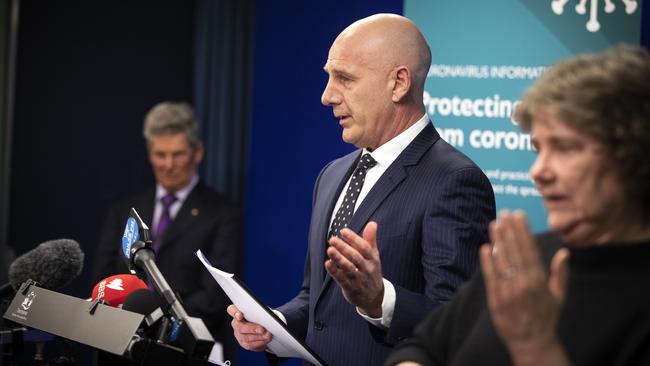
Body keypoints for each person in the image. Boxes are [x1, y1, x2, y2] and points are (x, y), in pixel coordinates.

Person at [228, 14, 495, 365]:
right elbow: (317, 299)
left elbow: (458, 324)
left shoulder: (454, 180)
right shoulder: (331, 175)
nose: (326, 96)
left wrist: (379, 299)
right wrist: (274, 324)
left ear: (399, 83)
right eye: (329, 78)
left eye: (344, 79)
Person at [385, 44, 650, 366]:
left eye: (565, 148)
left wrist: (535, 345)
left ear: (633, 153)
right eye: (539, 149)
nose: (539, 171)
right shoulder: (529, 257)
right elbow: (424, 344)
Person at [92, 101, 243, 361]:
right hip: (122, 346)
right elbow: (103, 278)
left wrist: (154, 319)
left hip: (187, 348)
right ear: (149, 154)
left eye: (178, 154)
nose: (168, 164)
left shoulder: (223, 213)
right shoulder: (124, 210)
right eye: (160, 155)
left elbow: (215, 297)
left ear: (197, 153)